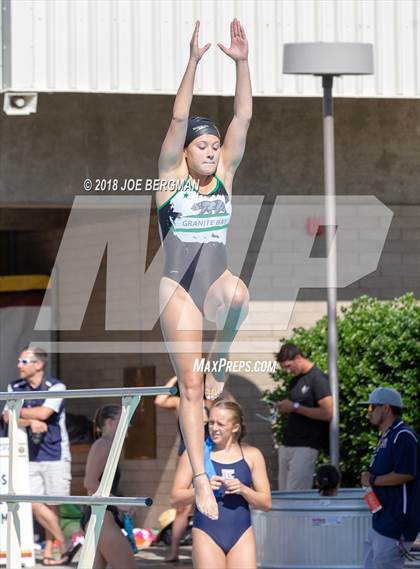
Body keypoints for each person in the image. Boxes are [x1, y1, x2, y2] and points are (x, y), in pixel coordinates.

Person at [157, 19, 252, 520]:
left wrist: (241, 62)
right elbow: (176, 122)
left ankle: (223, 356)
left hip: (213, 281)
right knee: (190, 389)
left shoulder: (225, 178)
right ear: (187, 152)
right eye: (204, 145)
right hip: (178, 288)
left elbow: (243, 117)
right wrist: (193, 63)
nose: (213, 150)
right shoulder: (171, 181)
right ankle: (199, 478)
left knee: (238, 295)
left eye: (216, 146)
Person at [171, 400, 271, 569]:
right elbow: (175, 499)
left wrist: (244, 490)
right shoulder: (194, 455)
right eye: (211, 422)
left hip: (241, 533)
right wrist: (202, 488)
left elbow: (266, 503)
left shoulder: (252, 455)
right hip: (207, 532)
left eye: (220, 424)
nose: (214, 428)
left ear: (235, 427)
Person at [2, 346, 73, 566]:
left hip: (55, 454)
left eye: (23, 361)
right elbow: (6, 417)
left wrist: (19, 412)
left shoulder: (56, 386)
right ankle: (67, 543)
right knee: (33, 503)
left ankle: (52, 551)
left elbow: (45, 413)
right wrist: (30, 420)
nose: (18, 366)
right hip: (28, 455)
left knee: (53, 505)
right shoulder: (15, 386)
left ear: (38, 364)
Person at [154, 375, 235, 562]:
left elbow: (235, 408)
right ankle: (173, 550)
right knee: (183, 507)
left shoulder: (215, 403)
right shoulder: (182, 402)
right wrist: (175, 378)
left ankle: (217, 549)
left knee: (218, 499)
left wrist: (219, 388)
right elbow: (159, 401)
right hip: (188, 455)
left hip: (212, 454)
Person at [359, 387, 420, 569]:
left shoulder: (403, 436)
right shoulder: (386, 436)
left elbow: (406, 473)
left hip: (395, 524)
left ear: (385, 408)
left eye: (371, 408)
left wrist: (372, 480)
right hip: (381, 520)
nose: (368, 413)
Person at [82, 404, 136, 569]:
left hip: (101, 515)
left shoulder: (108, 445)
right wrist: (120, 503)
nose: (129, 424)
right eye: (124, 419)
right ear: (111, 422)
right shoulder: (103, 444)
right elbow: (90, 483)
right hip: (102, 517)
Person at [275, 343, 333, 491]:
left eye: (289, 366)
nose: (288, 371)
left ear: (299, 358)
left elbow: (328, 413)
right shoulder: (296, 380)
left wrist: (295, 407)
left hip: (306, 446)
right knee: (284, 494)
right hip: (288, 443)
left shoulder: (318, 379)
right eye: (284, 368)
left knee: (295, 494)